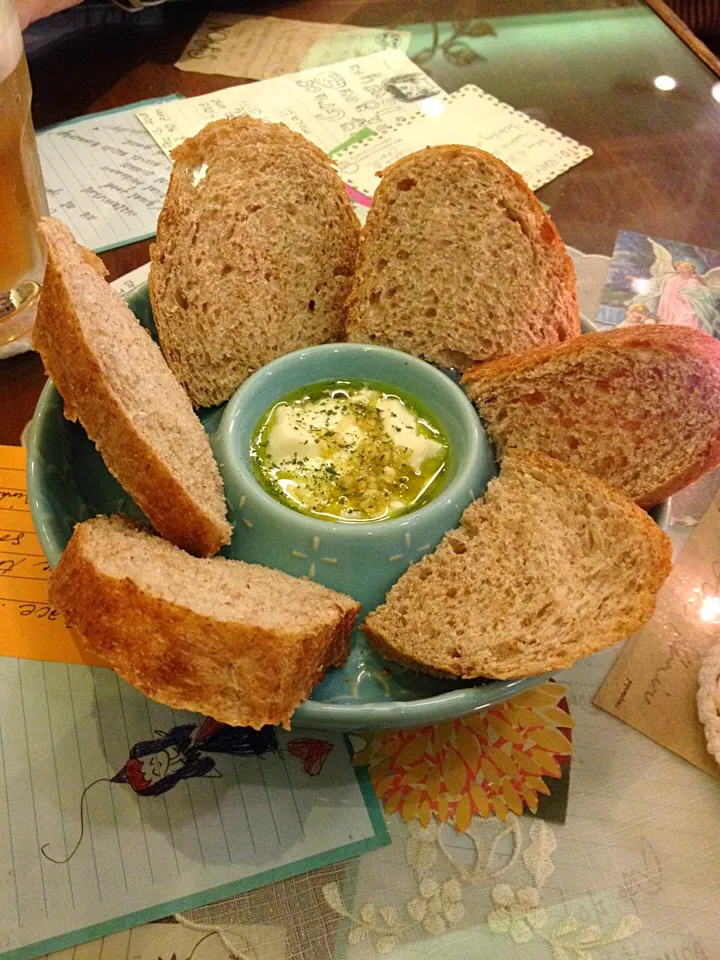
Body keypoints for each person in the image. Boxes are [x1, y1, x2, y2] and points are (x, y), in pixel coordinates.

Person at [627, 260, 720, 334]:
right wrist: (637, 280)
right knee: (664, 326)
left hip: (683, 310)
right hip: (666, 308)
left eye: (684, 268)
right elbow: (654, 283)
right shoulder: (670, 278)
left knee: (681, 327)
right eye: (679, 268)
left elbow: (700, 298)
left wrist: (683, 296)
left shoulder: (694, 282)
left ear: (691, 270)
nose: (681, 269)